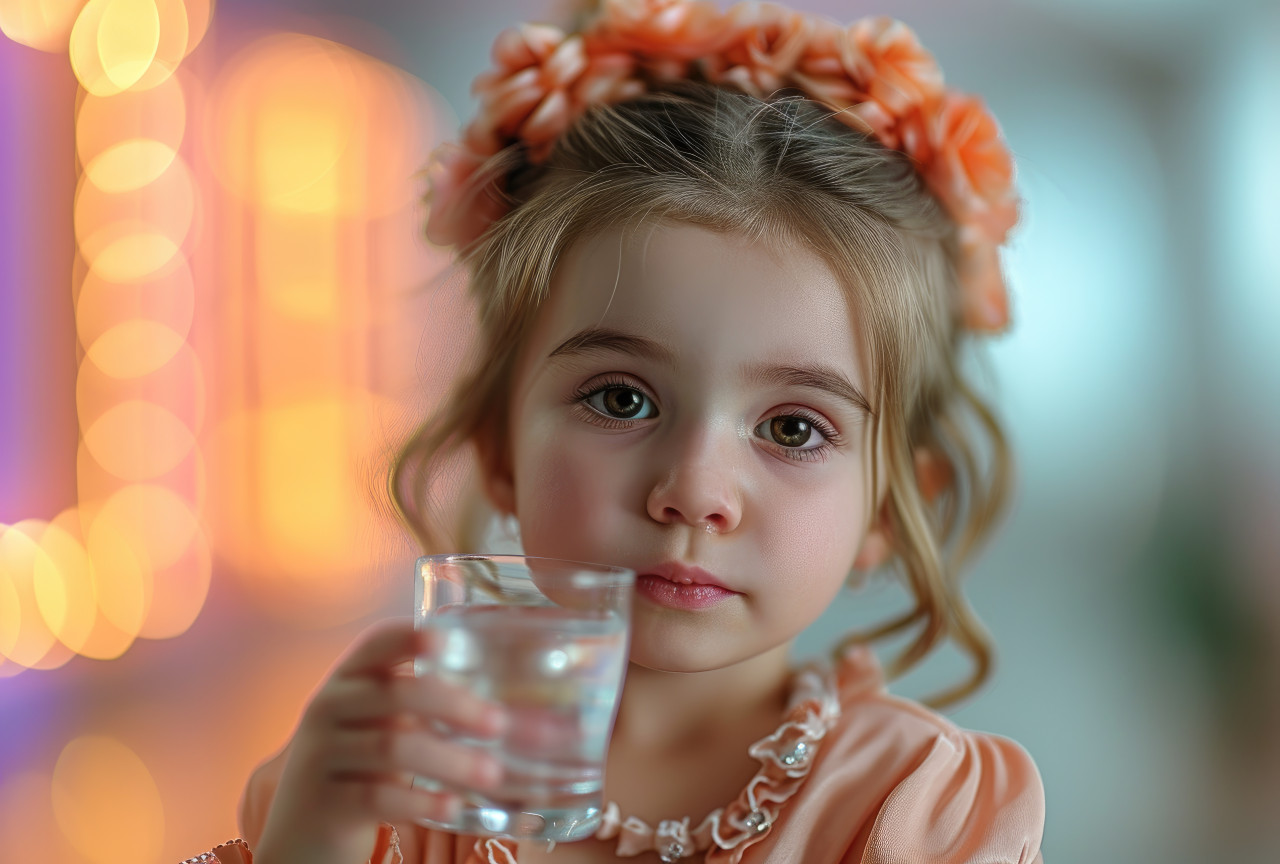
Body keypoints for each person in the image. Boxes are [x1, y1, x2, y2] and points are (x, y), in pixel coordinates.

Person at [191, 0, 1046, 861]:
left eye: (792, 427)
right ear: (496, 445)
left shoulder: (918, 813)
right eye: (621, 400)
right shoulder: (374, 796)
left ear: (890, 508)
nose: (693, 493)